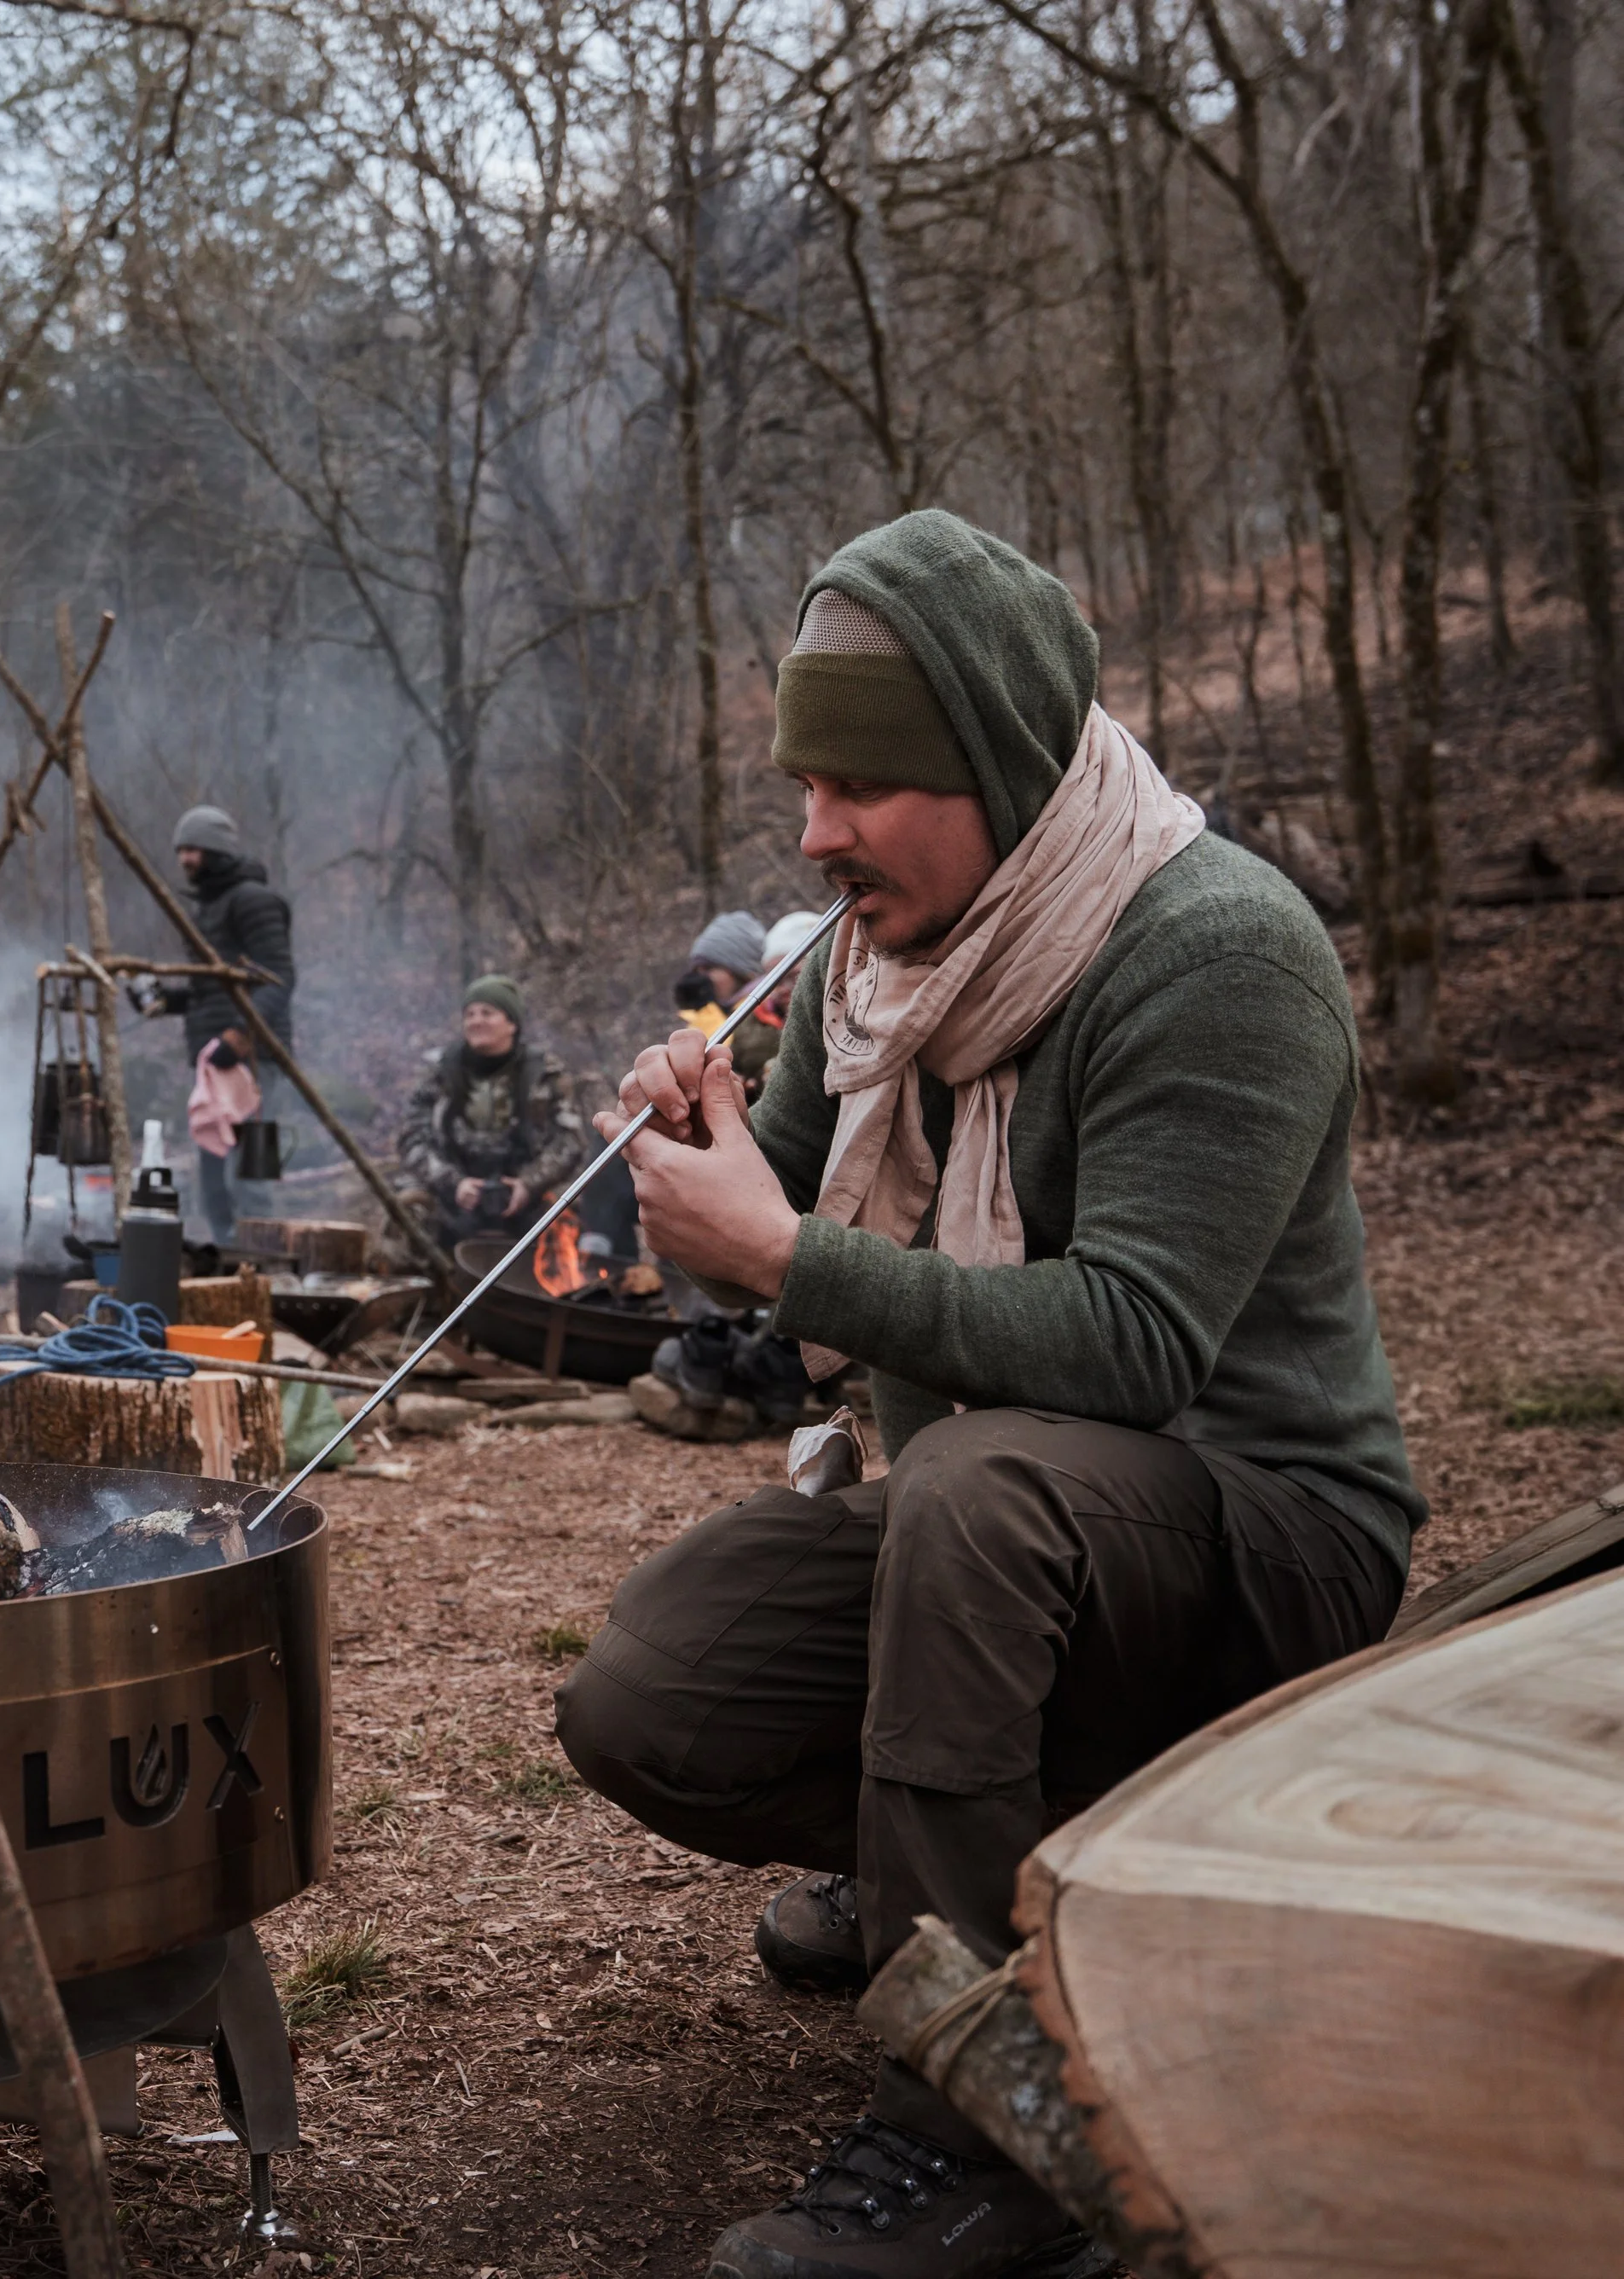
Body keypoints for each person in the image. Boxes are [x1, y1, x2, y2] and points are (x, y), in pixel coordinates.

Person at [553, 511, 1421, 2279]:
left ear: (994, 768)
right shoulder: (886, 961)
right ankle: (970, 1872)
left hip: (1266, 1536)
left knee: (975, 1490)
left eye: (859, 784)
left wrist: (789, 1260)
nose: (815, 833)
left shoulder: (1219, 953)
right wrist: (693, 1144)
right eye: (805, 783)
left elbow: (1131, 1346)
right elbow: (766, 1200)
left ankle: (993, 2143)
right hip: (1016, 1545)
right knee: (652, 1689)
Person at [132, 805, 295, 1245]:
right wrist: (163, 1001)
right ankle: (228, 1264)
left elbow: (278, 980)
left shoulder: (253, 901)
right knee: (214, 1183)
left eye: (194, 849)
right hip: (215, 1063)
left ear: (217, 852)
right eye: (181, 850)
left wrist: (241, 1037)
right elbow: (214, 994)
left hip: (257, 1062)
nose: (185, 859)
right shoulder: (208, 909)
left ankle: (262, 1274)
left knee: (251, 1178)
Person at [397, 975, 585, 1252]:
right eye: (469, 1014)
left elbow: (570, 1141)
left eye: (487, 1013)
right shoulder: (439, 1073)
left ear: (512, 1023)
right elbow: (411, 1138)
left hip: (527, 1193)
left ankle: (556, 1290)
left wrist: (529, 1183)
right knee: (408, 1206)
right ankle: (427, 1291)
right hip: (453, 1194)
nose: (476, 1021)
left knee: (572, 1207)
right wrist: (454, 1183)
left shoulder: (545, 1074)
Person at [676, 910, 778, 1101]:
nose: (701, 978)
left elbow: (722, 1060)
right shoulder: (712, 1013)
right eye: (697, 970)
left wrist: (706, 1014)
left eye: (709, 968)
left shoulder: (768, 1012)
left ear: (742, 971)